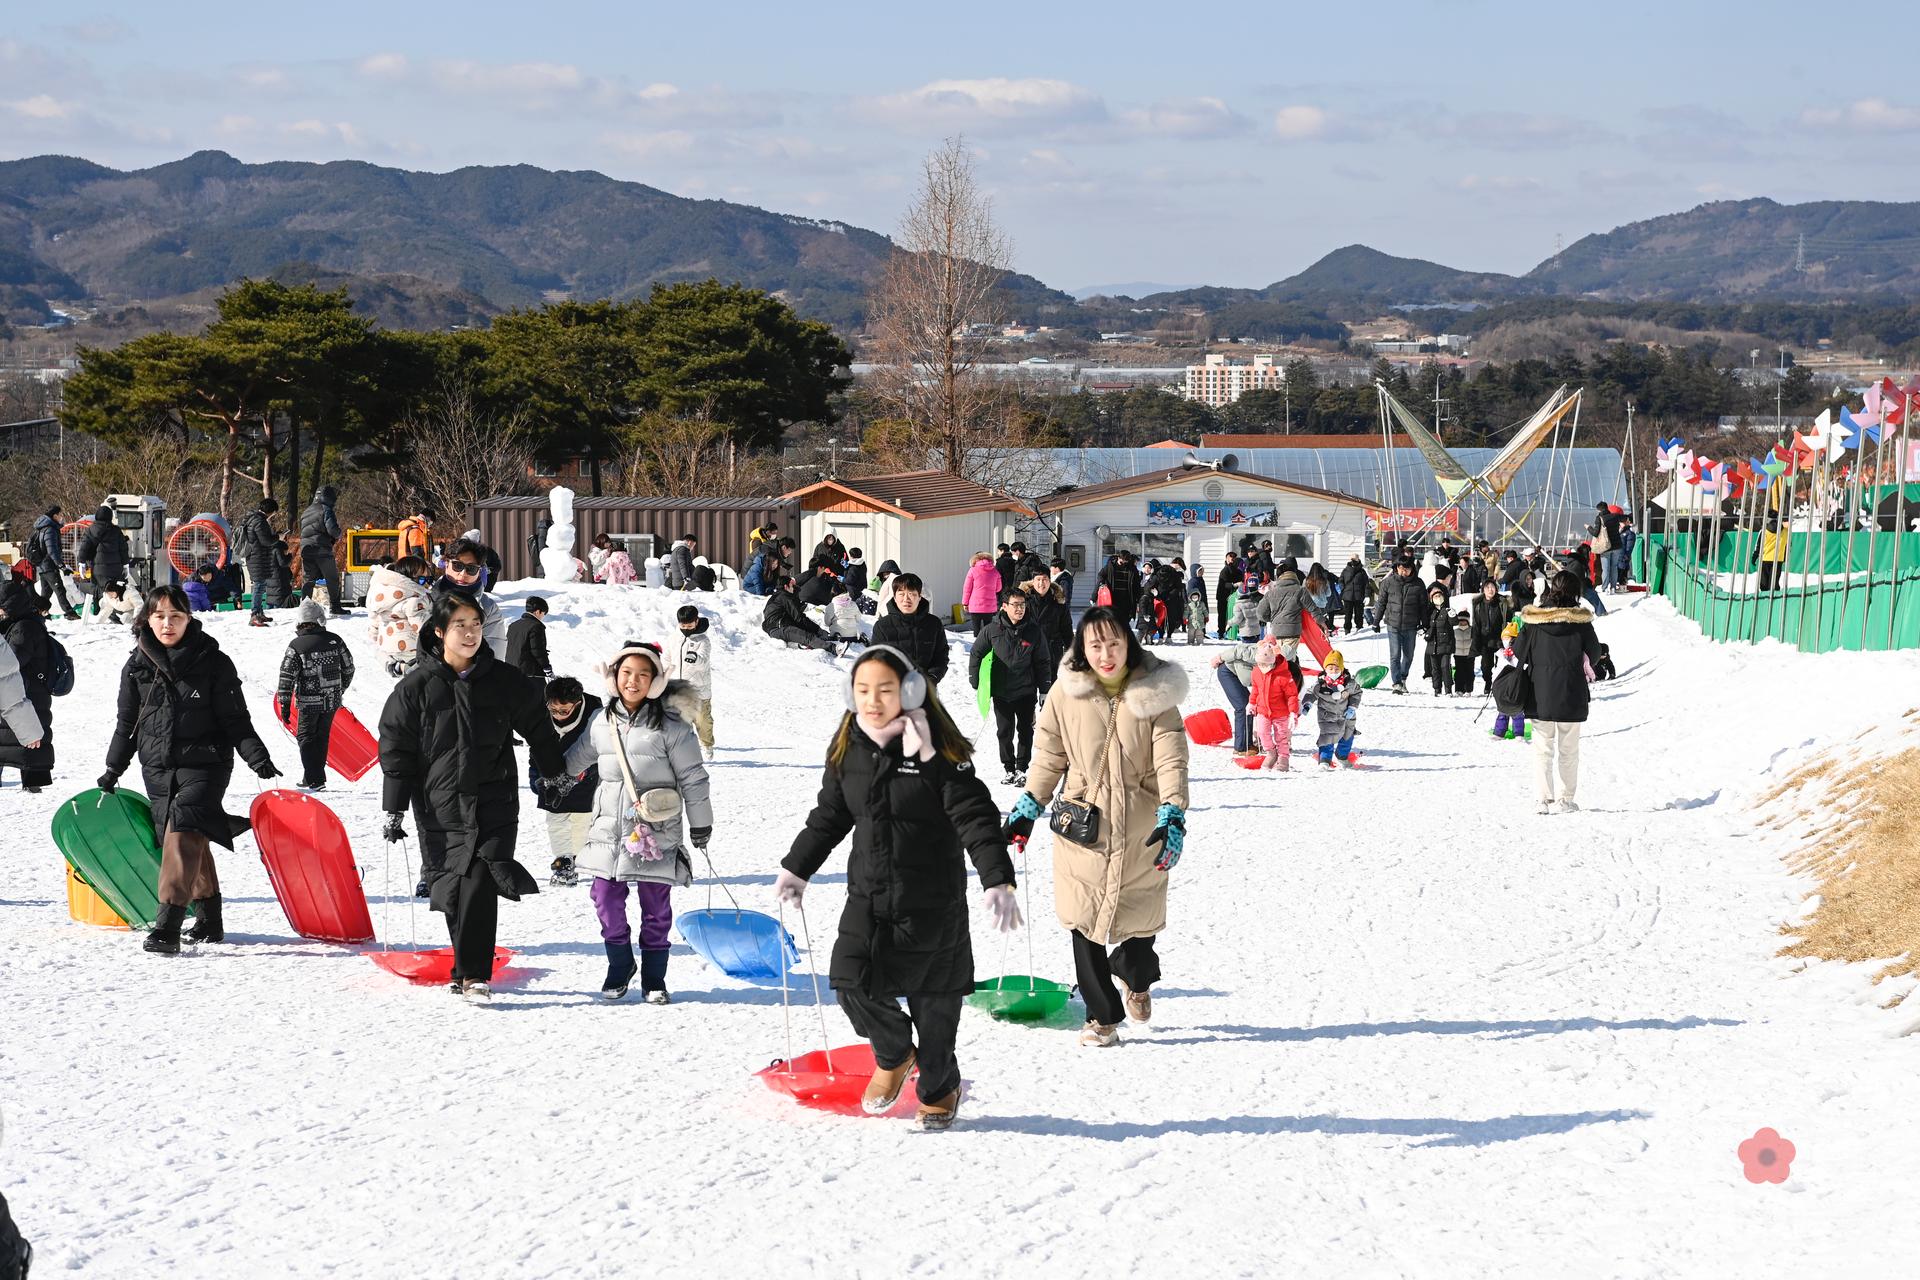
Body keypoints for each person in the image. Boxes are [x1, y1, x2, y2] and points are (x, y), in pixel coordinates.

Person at [777, 645, 1018, 1129]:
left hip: (932, 901)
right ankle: (892, 1055)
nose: (872, 700)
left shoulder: (939, 752)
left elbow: (974, 816)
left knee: (935, 1011)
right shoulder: (849, 746)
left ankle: (938, 1087)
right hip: (869, 895)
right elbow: (831, 813)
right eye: (862, 690)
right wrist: (796, 867)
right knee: (850, 984)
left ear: (909, 691)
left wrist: (997, 877)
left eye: (884, 689)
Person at [1010, 607, 1189, 1049]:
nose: (1105, 655)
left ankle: (1137, 977)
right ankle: (1102, 1016)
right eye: (1094, 646)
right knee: (1083, 920)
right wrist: (1030, 803)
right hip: (1083, 822)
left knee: (1140, 925)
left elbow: (1171, 758)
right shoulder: (1064, 694)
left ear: (1128, 642)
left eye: (1113, 644)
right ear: (1081, 649)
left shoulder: (1155, 692)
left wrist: (1173, 812)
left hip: (1141, 825)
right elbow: (1048, 754)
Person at [377, 593, 564, 999]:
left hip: (494, 798)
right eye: (460, 625)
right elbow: (395, 749)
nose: (469, 633)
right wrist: (394, 808)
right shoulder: (416, 687)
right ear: (440, 631)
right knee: (453, 886)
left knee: (482, 876)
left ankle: (474, 974)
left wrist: (554, 774)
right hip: (439, 803)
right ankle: (465, 971)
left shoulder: (503, 679)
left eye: (475, 624)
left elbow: (539, 727)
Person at [99, 586, 280, 954]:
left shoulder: (214, 662)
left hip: (207, 764)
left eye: (176, 616)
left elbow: (236, 720)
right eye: (160, 616)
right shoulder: (137, 666)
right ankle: (210, 919)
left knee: (182, 830)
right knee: (185, 835)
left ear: (189, 619)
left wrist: (257, 757)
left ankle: (167, 925)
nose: (168, 624)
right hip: (158, 768)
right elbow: (126, 724)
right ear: (147, 619)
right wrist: (113, 768)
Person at [558, 640, 712, 1003]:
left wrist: (701, 823)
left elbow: (693, 776)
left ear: (655, 681)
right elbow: (576, 758)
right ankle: (620, 964)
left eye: (643, 674)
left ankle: (654, 979)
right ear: (614, 677)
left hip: (654, 831)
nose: (633, 681)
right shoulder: (602, 721)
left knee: (655, 906)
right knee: (605, 899)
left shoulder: (672, 726)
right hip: (610, 829)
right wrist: (555, 778)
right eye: (626, 673)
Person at [1514, 571, 1603, 815]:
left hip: (1539, 692)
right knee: (1569, 749)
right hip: (1571, 693)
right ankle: (1566, 799)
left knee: (1542, 748)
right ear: (1575, 593)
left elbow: (1519, 649)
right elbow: (1595, 654)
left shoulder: (1535, 620)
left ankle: (1543, 799)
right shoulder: (1581, 622)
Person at [275, 600, 356, 791]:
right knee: (321, 737)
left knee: (305, 737)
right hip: (332, 700)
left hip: (309, 702)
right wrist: (339, 688)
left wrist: (285, 704)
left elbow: (287, 677)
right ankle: (312, 776)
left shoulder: (297, 645)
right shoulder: (335, 640)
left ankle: (315, 779)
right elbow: (349, 667)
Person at [971, 589, 1050, 784]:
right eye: (1015, 604)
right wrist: (976, 681)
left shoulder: (1033, 630)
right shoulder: (991, 630)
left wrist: (1045, 689)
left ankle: (1022, 768)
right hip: (1001, 691)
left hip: (1026, 690)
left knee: (1025, 731)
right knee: (1004, 732)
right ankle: (1008, 767)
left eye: (1023, 605)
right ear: (1004, 606)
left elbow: (1043, 661)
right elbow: (976, 654)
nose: (1019, 609)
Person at [533, 675, 599, 887]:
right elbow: (536, 746)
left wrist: (584, 774)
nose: (559, 716)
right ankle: (563, 860)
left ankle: (578, 858)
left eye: (564, 711)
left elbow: (597, 748)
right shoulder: (540, 714)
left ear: (577, 704)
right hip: (551, 773)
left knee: (581, 818)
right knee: (556, 818)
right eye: (554, 710)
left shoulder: (595, 715)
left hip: (585, 774)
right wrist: (536, 777)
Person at [0, 581, 53, 792]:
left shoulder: (24, 627)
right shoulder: (23, 622)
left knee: (28, 738)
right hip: (24, 689)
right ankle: (33, 781)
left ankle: (34, 783)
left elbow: (12, 660)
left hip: (28, 690)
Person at [430, 539, 508, 659]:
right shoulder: (426, 601)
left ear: (479, 571)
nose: (463, 573)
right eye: (457, 565)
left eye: (471, 569)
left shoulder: (488, 608)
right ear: (446, 564)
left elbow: (494, 655)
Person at [366, 555, 434, 677]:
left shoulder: (383, 595)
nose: (426, 585)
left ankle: (398, 666)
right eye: (422, 580)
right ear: (408, 579)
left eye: (428, 579)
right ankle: (411, 668)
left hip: (388, 646)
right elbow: (422, 627)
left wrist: (374, 637)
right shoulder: (413, 599)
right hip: (409, 647)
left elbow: (374, 621)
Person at [1301, 649, 1363, 769]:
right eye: (1330, 669)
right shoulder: (1321, 684)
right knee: (1327, 737)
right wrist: (1308, 704)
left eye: (1336, 669)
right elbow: (1311, 693)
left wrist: (1352, 707)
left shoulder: (1349, 683)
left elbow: (1357, 693)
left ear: (1341, 669)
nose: (1333, 671)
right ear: (1325, 669)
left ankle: (1342, 757)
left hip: (1346, 716)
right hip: (1327, 716)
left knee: (1347, 736)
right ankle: (1324, 759)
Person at [1374, 558, 1428, 694]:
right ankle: (1397, 683)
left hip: (1411, 624)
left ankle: (1403, 677)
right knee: (1395, 654)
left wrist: (1425, 623)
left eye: (1407, 569)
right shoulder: (1388, 582)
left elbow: (1423, 606)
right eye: (1401, 568)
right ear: (1397, 568)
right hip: (1393, 624)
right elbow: (1381, 603)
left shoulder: (1418, 584)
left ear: (1412, 569)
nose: (1404, 571)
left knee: (1409, 655)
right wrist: (1376, 621)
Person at [668, 604, 715, 759]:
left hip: (699, 690)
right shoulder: (674, 638)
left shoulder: (703, 640)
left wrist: (695, 658)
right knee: (680, 722)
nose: (686, 628)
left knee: (703, 722)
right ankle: (683, 749)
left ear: (696, 621)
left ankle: (707, 745)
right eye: (683, 625)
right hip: (679, 690)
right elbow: (667, 657)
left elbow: (703, 660)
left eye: (689, 625)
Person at [1246, 636, 1299, 772]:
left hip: (1280, 712)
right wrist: (1251, 703)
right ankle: (1271, 753)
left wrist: (1293, 712)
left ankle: (1283, 757)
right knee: (1262, 733)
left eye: (1265, 664)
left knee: (1281, 736)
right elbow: (1256, 689)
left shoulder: (1284, 675)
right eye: (1260, 664)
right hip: (1263, 711)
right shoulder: (1256, 672)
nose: (1262, 667)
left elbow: (1292, 695)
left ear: (1272, 662)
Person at [230, 497, 281, 626]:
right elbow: (266, 541)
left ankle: (259, 612)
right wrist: (278, 537)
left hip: (256, 557)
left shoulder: (253, 519)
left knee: (260, 585)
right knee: (258, 586)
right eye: (274, 512)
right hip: (257, 557)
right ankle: (254, 614)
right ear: (270, 511)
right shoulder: (259, 521)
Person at [299, 485, 348, 616]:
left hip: (306, 549)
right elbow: (332, 529)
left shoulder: (306, 511)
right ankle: (335, 606)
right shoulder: (326, 509)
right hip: (321, 549)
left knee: (308, 581)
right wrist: (339, 534)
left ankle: (305, 608)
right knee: (332, 578)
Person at [76, 505, 132, 617]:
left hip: (97, 567)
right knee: (115, 588)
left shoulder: (90, 530)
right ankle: (116, 612)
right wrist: (126, 564)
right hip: (115, 567)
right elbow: (123, 548)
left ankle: (99, 611)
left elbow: (84, 548)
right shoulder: (116, 530)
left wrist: (81, 562)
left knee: (98, 589)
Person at [27, 505, 79, 620]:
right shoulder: (50, 529)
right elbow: (52, 551)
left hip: (42, 566)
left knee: (46, 593)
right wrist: (61, 566)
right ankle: (70, 613)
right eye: (60, 515)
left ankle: (38, 612)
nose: (61, 517)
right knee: (60, 589)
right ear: (54, 516)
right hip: (48, 565)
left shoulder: (43, 527)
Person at [762, 575, 839, 653]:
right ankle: (834, 649)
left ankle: (825, 637)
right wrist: (818, 630)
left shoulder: (775, 597)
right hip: (779, 628)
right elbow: (799, 618)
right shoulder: (784, 597)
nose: (794, 587)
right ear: (786, 587)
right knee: (807, 636)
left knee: (805, 630)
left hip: (776, 628)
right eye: (792, 585)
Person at [1469, 578, 1514, 694]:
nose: (1490, 589)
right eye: (1487, 587)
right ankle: (1488, 683)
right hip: (1485, 640)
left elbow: (1509, 619)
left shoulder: (1502, 603)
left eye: (1492, 587)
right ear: (1483, 590)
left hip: (1500, 640)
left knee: (1502, 665)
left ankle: (1499, 686)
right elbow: (1475, 623)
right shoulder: (1478, 604)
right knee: (1485, 666)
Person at [1488, 622, 1528, 741]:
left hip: (1516, 686)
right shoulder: (1500, 653)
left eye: (1508, 638)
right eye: (1504, 638)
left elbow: (1522, 666)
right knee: (1502, 711)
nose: (1506, 640)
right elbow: (1497, 669)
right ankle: (1499, 733)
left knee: (1517, 712)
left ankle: (1519, 733)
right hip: (1502, 687)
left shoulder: (1520, 653)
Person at [505, 597, 553, 680]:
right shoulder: (536, 626)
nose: (543, 617)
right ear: (538, 611)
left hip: (510, 669)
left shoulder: (513, 625)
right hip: (530, 673)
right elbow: (537, 650)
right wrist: (547, 667)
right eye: (543, 614)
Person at [1421, 585, 1456, 696]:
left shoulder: (1448, 610)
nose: (1438, 597)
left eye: (1440, 595)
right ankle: (1437, 689)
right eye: (1435, 596)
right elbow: (1425, 625)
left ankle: (1448, 689)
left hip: (1446, 644)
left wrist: (1453, 615)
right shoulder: (1430, 612)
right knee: (1435, 669)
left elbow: (1454, 623)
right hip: (1432, 644)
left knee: (1445, 666)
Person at [1097, 549, 1142, 625]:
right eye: (1122, 561)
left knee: (1125, 621)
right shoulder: (1110, 566)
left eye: (1126, 562)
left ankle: (1122, 634)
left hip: (1127, 598)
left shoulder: (1132, 569)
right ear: (1118, 558)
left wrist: (1138, 599)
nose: (1124, 563)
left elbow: (1137, 584)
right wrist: (1102, 583)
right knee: (1113, 619)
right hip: (1113, 597)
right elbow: (1101, 575)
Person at [961, 551, 1001, 635]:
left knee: (976, 630)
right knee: (988, 629)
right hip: (989, 606)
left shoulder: (972, 570)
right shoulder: (995, 571)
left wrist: (965, 603)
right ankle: (988, 646)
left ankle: (977, 645)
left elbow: (967, 588)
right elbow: (998, 588)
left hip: (975, 605)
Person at [1755, 512, 1789, 591]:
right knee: (1774, 583)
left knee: (1763, 583)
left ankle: (1764, 599)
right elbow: (1787, 545)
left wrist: (1755, 556)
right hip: (1778, 559)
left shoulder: (1764, 531)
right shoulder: (1785, 531)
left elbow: (1759, 545)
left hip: (1765, 558)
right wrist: (1784, 557)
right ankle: (1774, 599)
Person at [1214, 551, 1244, 640]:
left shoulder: (1238, 571)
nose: (1232, 559)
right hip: (1223, 595)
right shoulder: (1225, 570)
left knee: (1235, 613)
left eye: (1234, 557)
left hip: (1234, 595)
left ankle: (1235, 631)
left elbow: (1241, 580)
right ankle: (1221, 632)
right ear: (1226, 559)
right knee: (1222, 615)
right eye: (1230, 557)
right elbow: (1224, 584)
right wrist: (1234, 584)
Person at [1339, 556, 1371, 633]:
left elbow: (1366, 584)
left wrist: (1367, 595)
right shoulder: (1346, 570)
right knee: (1347, 614)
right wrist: (1343, 589)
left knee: (1359, 614)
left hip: (1359, 596)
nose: (1353, 561)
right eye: (1352, 559)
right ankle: (1347, 629)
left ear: (1358, 560)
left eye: (1354, 559)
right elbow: (1340, 581)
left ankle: (1359, 627)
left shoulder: (1362, 571)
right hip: (1347, 596)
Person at [1450, 610, 1475, 696]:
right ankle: (1459, 689)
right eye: (1460, 621)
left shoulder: (1472, 630)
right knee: (1459, 673)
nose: (1462, 623)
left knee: (1469, 672)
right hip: (1458, 654)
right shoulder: (1455, 631)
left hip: (1469, 655)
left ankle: (1468, 689)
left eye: (1464, 621)